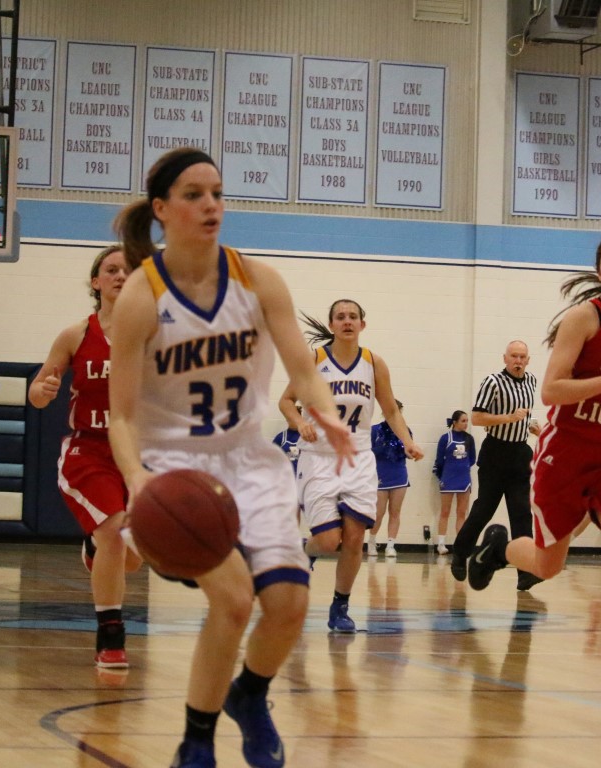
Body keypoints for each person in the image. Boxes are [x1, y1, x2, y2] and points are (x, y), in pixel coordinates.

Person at [107, 148, 355, 768]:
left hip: (248, 458)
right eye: (194, 195)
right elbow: (122, 416)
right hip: (174, 470)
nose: (211, 205)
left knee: (290, 605)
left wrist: (324, 409)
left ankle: (250, 694)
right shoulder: (141, 296)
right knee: (235, 598)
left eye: (217, 193)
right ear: (162, 209)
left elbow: (303, 368)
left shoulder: (258, 280)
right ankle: (196, 741)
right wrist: (137, 479)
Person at [464, 231, 601, 702]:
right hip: (567, 454)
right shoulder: (584, 318)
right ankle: (498, 550)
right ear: (599, 271)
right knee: (549, 564)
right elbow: (552, 390)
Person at [28, 245, 143, 671]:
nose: (120, 276)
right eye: (111, 270)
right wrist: (42, 391)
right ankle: (110, 635)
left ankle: (94, 547)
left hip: (137, 453)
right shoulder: (75, 334)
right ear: (96, 282)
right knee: (113, 529)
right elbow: (37, 392)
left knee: (133, 558)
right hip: (89, 449)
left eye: (128, 270)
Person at [279, 299, 423, 633]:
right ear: (332, 325)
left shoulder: (374, 363)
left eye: (353, 316)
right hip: (319, 457)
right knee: (329, 541)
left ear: (362, 324)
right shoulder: (314, 359)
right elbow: (286, 401)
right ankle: (306, 550)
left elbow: (390, 410)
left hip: (358, 457)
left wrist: (407, 441)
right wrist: (300, 423)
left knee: (355, 537)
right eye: (341, 317)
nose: (347, 321)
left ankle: (340, 607)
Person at [450, 340, 544, 591]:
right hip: (495, 452)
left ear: (528, 360)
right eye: (514, 356)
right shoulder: (492, 382)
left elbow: (525, 414)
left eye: (522, 357)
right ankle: (460, 553)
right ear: (505, 358)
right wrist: (508, 418)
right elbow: (477, 417)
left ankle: (526, 572)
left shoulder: (532, 381)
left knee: (522, 514)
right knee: (484, 509)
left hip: (520, 453)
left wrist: (531, 425)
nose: (518, 361)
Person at [370, 399, 411, 557]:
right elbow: (367, 452)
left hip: (399, 474)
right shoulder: (375, 430)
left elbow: (410, 451)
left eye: (398, 412)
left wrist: (410, 452)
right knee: (378, 513)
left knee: (395, 511)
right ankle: (372, 542)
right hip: (380, 474)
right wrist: (380, 449)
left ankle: (391, 545)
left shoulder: (405, 431)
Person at [433, 410, 477, 556]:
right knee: (445, 511)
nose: (466, 423)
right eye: (463, 421)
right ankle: (441, 544)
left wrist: (462, 468)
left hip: (464, 479)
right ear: (455, 422)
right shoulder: (445, 438)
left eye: (467, 421)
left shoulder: (469, 439)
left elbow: (472, 459)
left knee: (461, 512)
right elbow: (439, 460)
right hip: (448, 478)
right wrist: (444, 474)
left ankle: (460, 545)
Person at [272, 405, 302, 475]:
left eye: (296, 418)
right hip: (284, 476)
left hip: (301, 477)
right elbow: (272, 458)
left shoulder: (305, 438)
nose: (294, 421)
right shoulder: (280, 438)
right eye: (291, 418)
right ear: (287, 419)